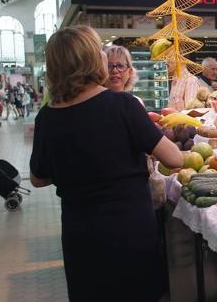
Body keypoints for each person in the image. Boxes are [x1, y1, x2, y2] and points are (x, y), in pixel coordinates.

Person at [29, 25, 183, 302]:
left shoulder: (46, 118)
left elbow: (38, 178)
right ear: (91, 60)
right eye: (100, 50)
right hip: (128, 230)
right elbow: (175, 158)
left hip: (80, 234)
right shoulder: (122, 105)